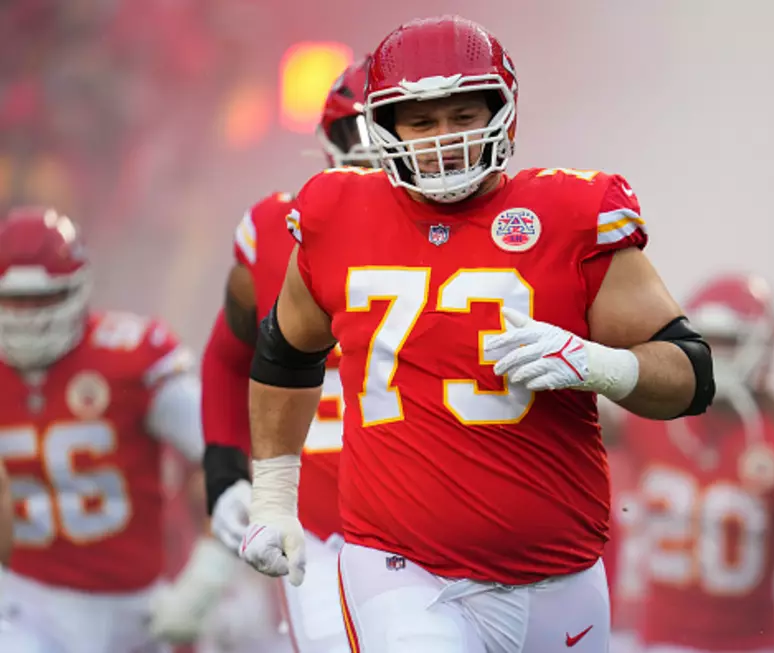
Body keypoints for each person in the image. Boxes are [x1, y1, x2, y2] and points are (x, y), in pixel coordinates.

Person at [239, 15, 715, 653]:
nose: (444, 140)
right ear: (383, 128)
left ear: (503, 111)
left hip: (562, 574)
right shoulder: (336, 213)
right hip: (403, 570)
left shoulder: (571, 213)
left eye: (463, 115)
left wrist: (599, 365)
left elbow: (692, 374)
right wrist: (273, 497)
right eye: (422, 121)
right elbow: (285, 350)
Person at [202, 56, 378, 653]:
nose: (380, 149)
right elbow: (229, 356)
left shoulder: (483, 226)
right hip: (321, 528)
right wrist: (225, 474)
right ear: (334, 140)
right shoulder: (277, 227)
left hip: (446, 515)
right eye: (364, 131)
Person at [0, 207, 235, 652]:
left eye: (43, 299)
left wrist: (207, 577)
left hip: (135, 610)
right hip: (23, 604)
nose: (28, 316)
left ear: (78, 287)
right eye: (15, 300)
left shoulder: (130, 356)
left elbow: (231, 453)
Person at [613, 273, 774, 653]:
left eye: (728, 342)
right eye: (705, 340)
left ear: (764, 344)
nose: (714, 355)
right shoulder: (648, 415)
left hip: (750, 645)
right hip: (656, 643)